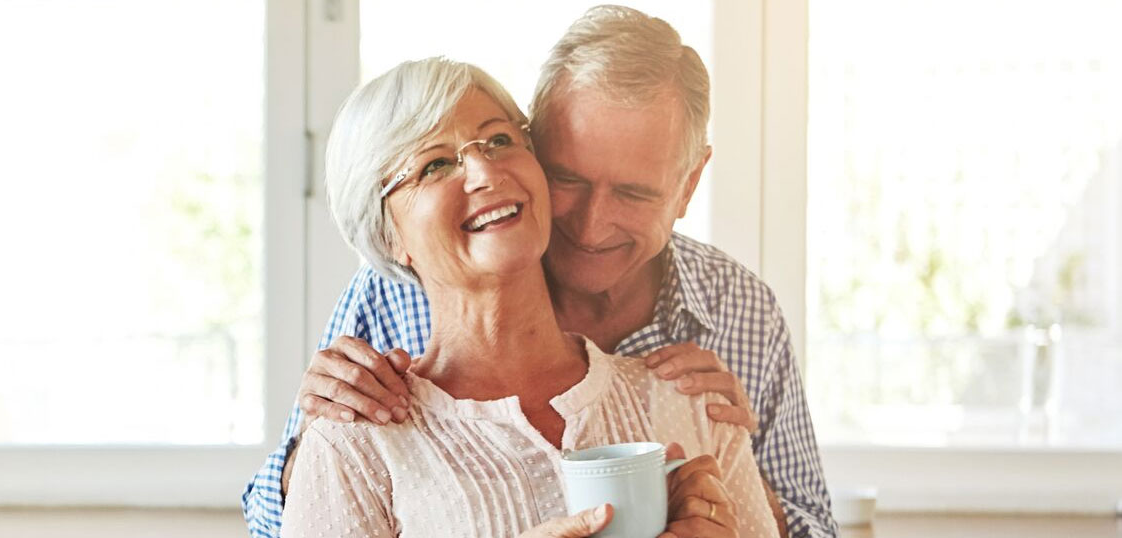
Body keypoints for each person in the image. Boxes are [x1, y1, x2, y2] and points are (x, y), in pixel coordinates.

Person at [246, 5, 835, 537]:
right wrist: (318, 445)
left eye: (496, 141)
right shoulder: (382, 305)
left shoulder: (716, 353)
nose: (589, 224)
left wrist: (737, 479)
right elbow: (281, 515)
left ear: (688, 185)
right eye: (568, 178)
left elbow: (810, 525)